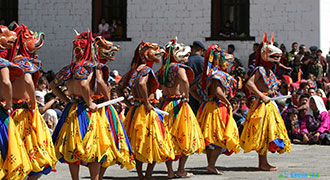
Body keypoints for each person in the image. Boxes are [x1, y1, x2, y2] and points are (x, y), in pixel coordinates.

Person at [51, 31, 133, 180]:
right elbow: (93, 83)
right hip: (89, 110)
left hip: (72, 109)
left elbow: (53, 85)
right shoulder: (91, 67)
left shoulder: (69, 68)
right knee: (95, 148)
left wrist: (67, 100)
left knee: (74, 146)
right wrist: (96, 100)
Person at [6, 23, 57, 179]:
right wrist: (34, 102)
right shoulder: (22, 62)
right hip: (22, 113)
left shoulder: (10, 61)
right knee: (32, 154)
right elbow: (28, 80)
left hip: (12, 110)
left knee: (16, 154)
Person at [118, 41, 174, 180]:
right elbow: (142, 83)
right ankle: (148, 174)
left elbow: (119, 88)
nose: (158, 53)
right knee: (154, 141)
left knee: (138, 142)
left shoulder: (133, 70)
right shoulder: (146, 70)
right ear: (146, 54)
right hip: (146, 110)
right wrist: (147, 102)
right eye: (154, 50)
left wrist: (127, 102)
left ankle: (140, 174)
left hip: (135, 110)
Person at [240, 33, 291, 171]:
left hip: (269, 103)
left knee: (269, 132)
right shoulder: (260, 69)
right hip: (262, 104)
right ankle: (263, 163)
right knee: (263, 132)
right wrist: (261, 96)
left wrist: (272, 91)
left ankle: (264, 162)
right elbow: (249, 84)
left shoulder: (268, 70)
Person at [158, 38, 204, 178]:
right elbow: (184, 80)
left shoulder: (163, 69)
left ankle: (170, 171)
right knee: (185, 136)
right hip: (178, 104)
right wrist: (186, 95)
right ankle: (181, 170)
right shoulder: (178, 68)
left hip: (166, 104)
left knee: (169, 137)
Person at [190, 44, 240, 175]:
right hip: (218, 107)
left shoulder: (205, 75)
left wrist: (201, 100)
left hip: (207, 107)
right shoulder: (218, 74)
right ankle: (211, 165)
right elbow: (218, 91)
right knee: (219, 137)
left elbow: (192, 89)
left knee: (210, 138)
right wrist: (228, 102)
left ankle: (210, 165)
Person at [0, 25, 32, 180]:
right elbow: (6, 83)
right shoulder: (3, 63)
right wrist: (8, 104)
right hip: (5, 110)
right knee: (7, 153)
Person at [186, 41, 206, 114]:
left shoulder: (186, 60)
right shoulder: (203, 61)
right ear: (201, 50)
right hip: (199, 92)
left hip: (186, 91)